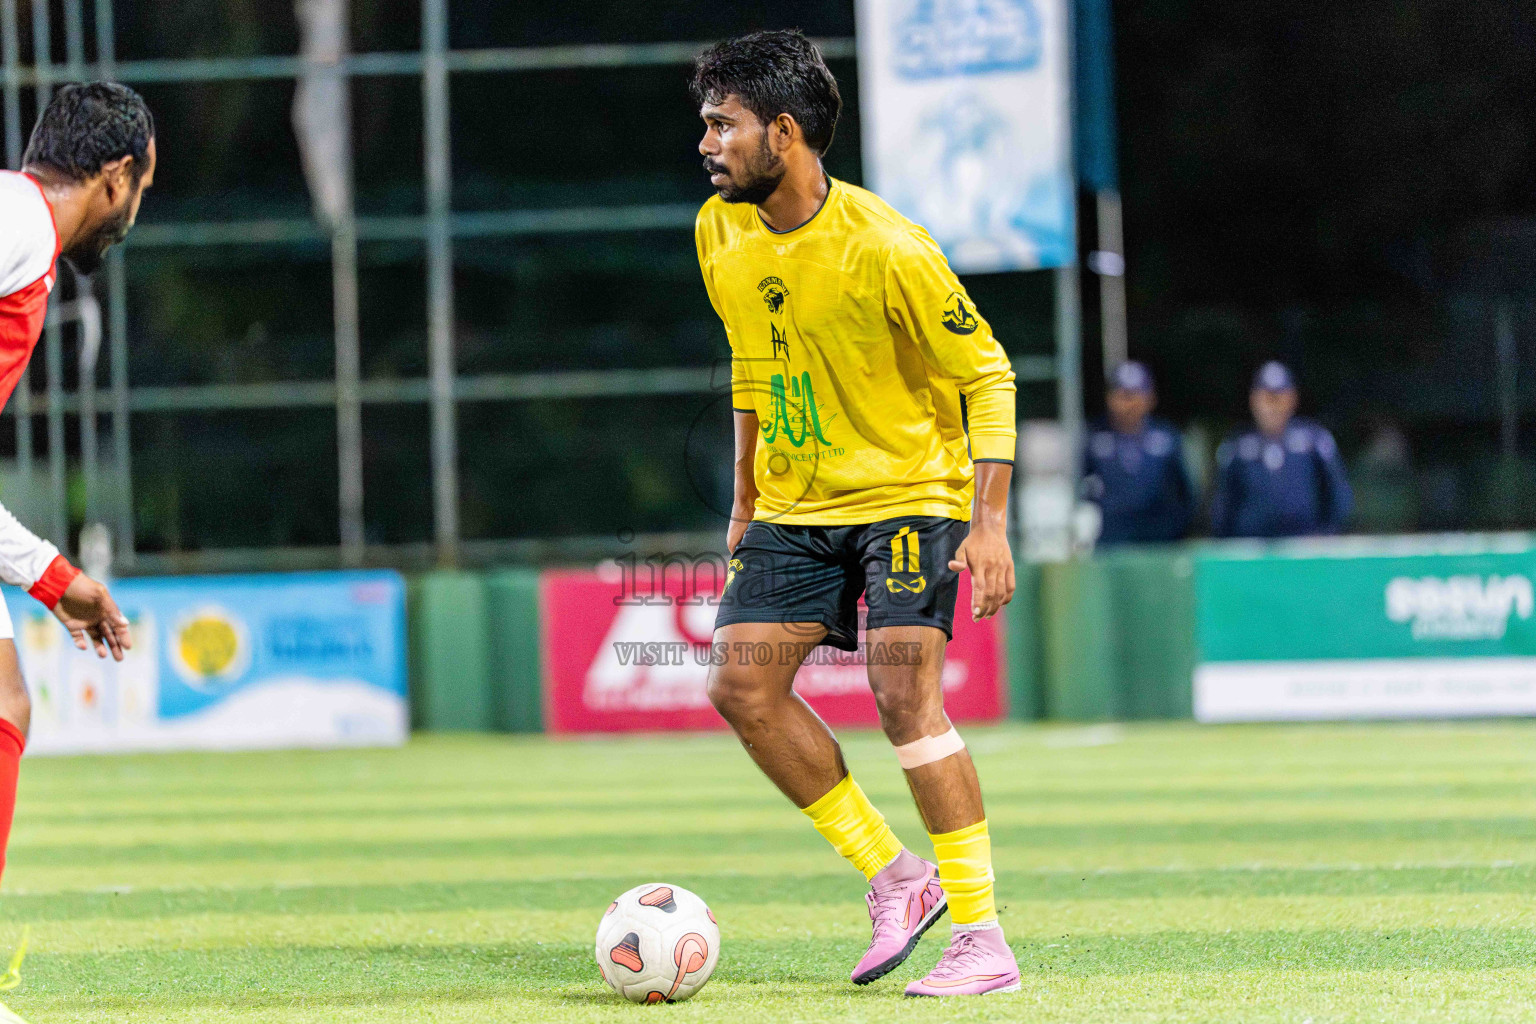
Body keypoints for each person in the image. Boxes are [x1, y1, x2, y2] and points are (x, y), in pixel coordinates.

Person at [692, 31, 1020, 997]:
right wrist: (745, 498)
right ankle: (896, 876)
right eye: (705, 124)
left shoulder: (888, 247)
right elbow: (752, 359)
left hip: (910, 495)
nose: (707, 144)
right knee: (741, 688)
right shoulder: (719, 231)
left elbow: (989, 376)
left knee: (902, 694)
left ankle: (983, 939)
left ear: (783, 133)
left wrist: (990, 521)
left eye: (724, 125)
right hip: (797, 503)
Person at [0, 81, 149, 1022]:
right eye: (144, 189)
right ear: (115, 175)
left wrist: (52, 581)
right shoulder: (17, 220)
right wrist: (51, 575)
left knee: (4, 698)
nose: (136, 211)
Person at [1210, 361, 1353, 538]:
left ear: (1292, 399)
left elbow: (1337, 495)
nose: (1272, 406)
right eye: (1266, 398)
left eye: (1279, 398)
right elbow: (1222, 503)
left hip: (1304, 544)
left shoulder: (1313, 440)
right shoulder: (1238, 446)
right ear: (1254, 400)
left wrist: (1326, 535)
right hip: (1250, 546)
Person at [1083, 361, 1194, 544]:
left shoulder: (1167, 438)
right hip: (1111, 542)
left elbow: (1186, 493)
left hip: (1159, 541)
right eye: (1123, 396)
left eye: (1135, 395)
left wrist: (1177, 530)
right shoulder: (1094, 439)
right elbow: (1081, 487)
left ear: (1150, 398)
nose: (1129, 404)